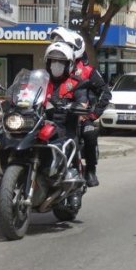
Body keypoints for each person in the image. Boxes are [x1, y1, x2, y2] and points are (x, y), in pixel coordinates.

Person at [49, 27, 111, 188]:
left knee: (89, 132)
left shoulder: (87, 71)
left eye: (66, 45)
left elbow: (105, 92)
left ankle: (90, 169)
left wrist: (93, 114)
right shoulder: (52, 67)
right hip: (54, 113)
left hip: (80, 114)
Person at [44, 42, 88, 212]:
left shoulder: (77, 83)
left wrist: (77, 107)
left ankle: (74, 190)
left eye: (60, 62)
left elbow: (82, 101)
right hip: (41, 124)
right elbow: (24, 93)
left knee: (70, 146)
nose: (56, 65)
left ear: (69, 64)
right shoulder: (41, 79)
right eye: (53, 61)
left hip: (64, 125)